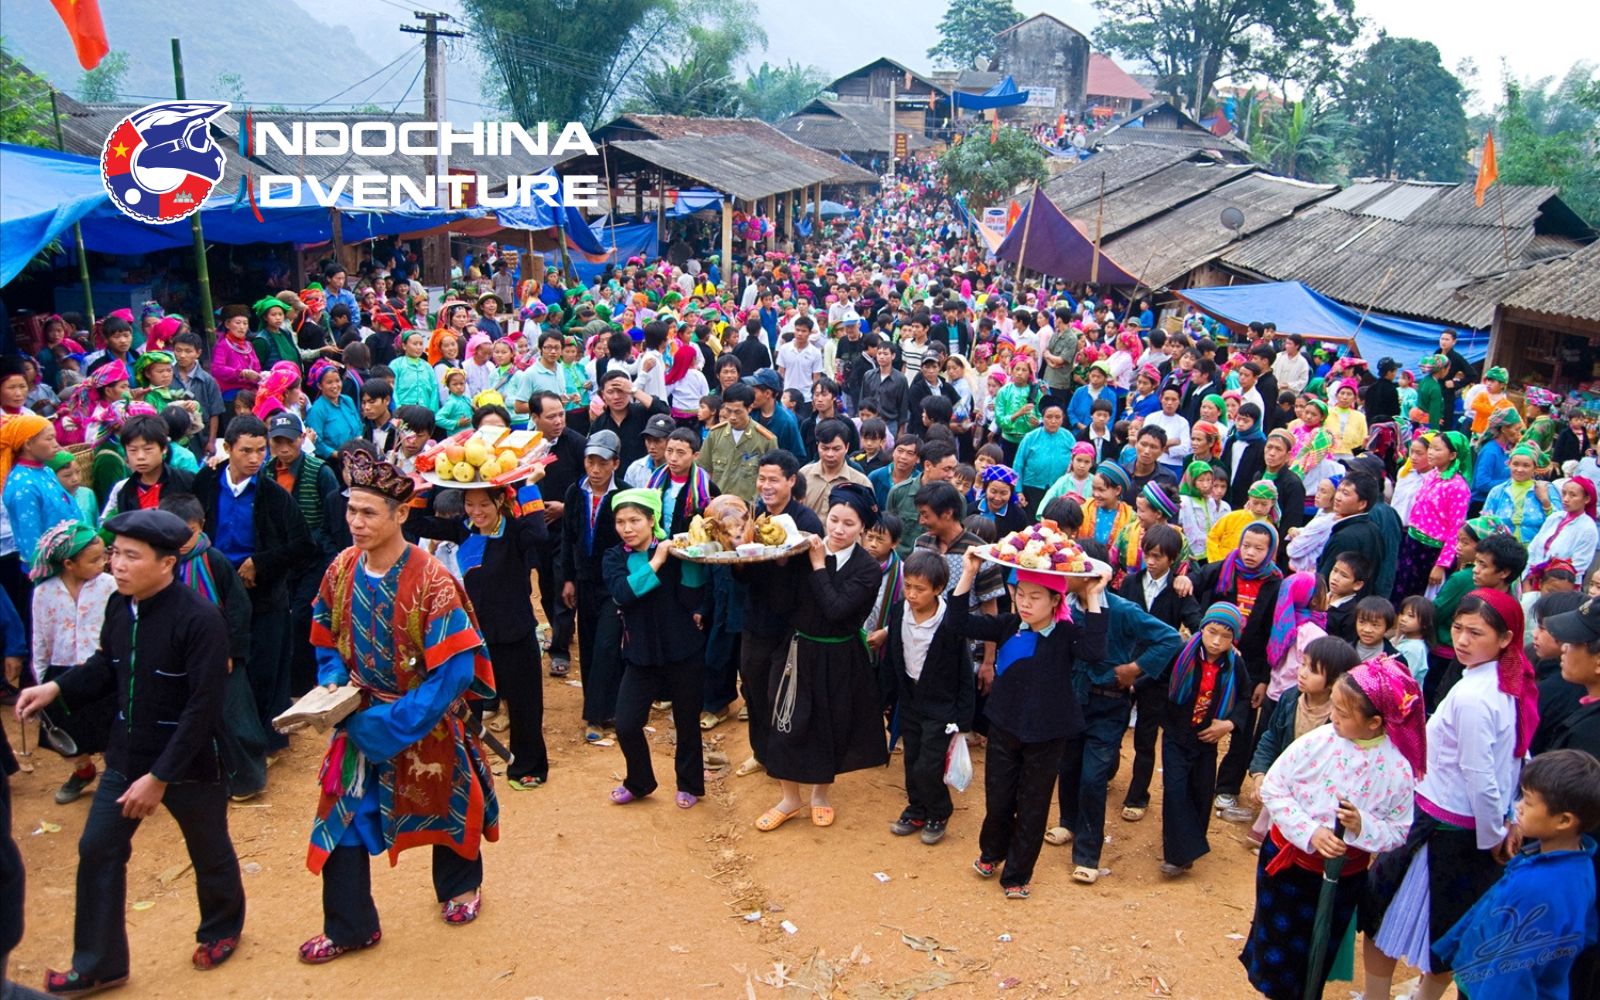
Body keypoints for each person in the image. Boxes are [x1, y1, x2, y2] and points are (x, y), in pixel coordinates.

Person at [15, 509, 244, 992]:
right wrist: (56, 691)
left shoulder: (201, 620)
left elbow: (203, 709)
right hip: (125, 757)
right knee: (97, 849)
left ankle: (221, 928)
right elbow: (106, 665)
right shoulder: (121, 607)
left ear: (166, 563)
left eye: (129, 556)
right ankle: (101, 963)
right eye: (114, 553)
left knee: (208, 850)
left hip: (189, 764)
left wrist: (160, 778)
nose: (116, 565)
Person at [298, 451, 500, 963]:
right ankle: (351, 926)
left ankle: (460, 889)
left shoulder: (433, 580)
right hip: (358, 716)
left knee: (447, 800)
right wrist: (333, 686)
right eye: (351, 511)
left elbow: (454, 670)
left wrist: (394, 722)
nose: (356, 523)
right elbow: (325, 634)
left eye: (369, 513)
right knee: (338, 815)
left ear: (401, 514)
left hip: (423, 718)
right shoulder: (342, 567)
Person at [1360, 589, 1539, 1000]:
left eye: (1476, 632)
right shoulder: (1505, 683)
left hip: (1442, 826)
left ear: (1506, 638)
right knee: (1450, 926)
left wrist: (1496, 831)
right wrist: (1507, 819)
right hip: (1471, 825)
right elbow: (1515, 760)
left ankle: (1376, 996)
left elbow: (1482, 773)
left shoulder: (1476, 696)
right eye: (1458, 628)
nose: (1462, 640)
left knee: (1382, 912)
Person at [1241, 655, 1422, 1000]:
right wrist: (1311, 832)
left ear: (1374, 723)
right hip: (1287, 869)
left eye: (1343, 712)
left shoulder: (1397, 769)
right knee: (1278, 955)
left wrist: (1361, 826)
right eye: (1334, 707)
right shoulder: (1318, 742)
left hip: (1342, 879)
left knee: (1315, 955)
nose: (1333, 716)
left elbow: (1400, 829)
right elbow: (1274, 787)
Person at [955, 544, 1109, 898]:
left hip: (1048, 732)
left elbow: (1096, 653)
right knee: (998, 798)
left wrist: (1092, 596)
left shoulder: (1067, 635)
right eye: (1021, 594)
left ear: (1056, 601)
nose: (1025, 603)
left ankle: (1017, 875)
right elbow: (958, 623)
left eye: (1036, 597)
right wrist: (968, 573)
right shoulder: (1009, 625)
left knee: (1034, 804)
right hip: (1004, 726)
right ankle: (992, 852)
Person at [754, 484, 890, 831]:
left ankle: (819, 795)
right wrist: (784, 562)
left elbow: (836, 609)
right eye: (833, 520)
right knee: (784, 718)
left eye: (848, 523)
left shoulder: (867, 569)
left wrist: (817, 566)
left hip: (840, 655)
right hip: (797, 650)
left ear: (863, 528)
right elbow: (781, 603)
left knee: (829, 723)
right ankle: (789, 798)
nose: (838, 529)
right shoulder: (803, 549)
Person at [191, 416, 311, 763]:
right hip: (213, 591)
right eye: (246, 450)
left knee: (264, 668)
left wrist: (261, 562)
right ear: (227, 449)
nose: (256, 458)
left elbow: (303, 544)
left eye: (262, 450)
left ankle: (264, 742)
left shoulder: (273, 494)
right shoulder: (206, 483)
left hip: (263, 594)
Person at [414, 481, 549, 791]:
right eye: (470, 504)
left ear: (500, 501)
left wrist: (528, 486)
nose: (476, 512)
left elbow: (540, 534)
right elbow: (414, 522)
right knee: (468, 706)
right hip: (473, 637)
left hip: (516, 632)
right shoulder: (462, 529)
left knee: (525, 704)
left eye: (484, 505)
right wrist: (422, 487)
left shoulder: (515, 531)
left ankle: (528, 767)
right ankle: (467, 769)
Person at [1435, 749, 1598, 1000]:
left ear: (1564, 820)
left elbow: (1510, 977)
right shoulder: (1579, 864)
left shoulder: (1538, 888)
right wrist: (1454, 942)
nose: (1519, 807)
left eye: (1529, 802)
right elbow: (1585, 933)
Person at [1051, 578, 1183, 884]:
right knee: (1068, 765)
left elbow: (1169, 638)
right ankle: (1067, 822)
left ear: (1091, 577)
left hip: (1109, 705)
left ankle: (1087, 855)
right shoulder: (1065, 607)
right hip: (1072, 701)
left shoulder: (1124, 610)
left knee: (1094, 776)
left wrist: (1136, 668)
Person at [603, 489, 706, 808]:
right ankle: (640, 781)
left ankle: (689, 784)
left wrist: (690, 560)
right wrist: (658, 560)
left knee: (687, 721)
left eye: (635, 520)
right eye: (620, 521)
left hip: (683, 650)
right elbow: (623, 593)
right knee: (626, 723)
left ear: (652, 520)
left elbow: (691, 597)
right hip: (640, 654)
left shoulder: (676, 551)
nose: (627, 528)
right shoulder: (615, 557)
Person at [160, 492, 262, 802]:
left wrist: (229, 650)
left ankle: (246, 779)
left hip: (220, 654)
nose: (180, 540)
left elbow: (237, 607)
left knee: (232, 716)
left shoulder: (213, 560)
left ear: (201, 525)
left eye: (187, 532)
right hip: (179, 655)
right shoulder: (162, 563)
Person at [1159, 603, 1252, 877]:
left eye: (1225, 636)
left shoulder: (1235, 665)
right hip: (1177, 735)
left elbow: (1245, 697)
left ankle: (1189, 847)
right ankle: (1177, 856)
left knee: (1200, 792)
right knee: (1175, 791)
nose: (1216, 641)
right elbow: (1159, 683)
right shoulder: (1181, 654)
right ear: (1202, 629)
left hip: (1206, 739)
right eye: (1212, 632)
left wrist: (1228, 724)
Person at [27, 522, 116, 806]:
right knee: (66, 730)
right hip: (62, 671)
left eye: (104, 556)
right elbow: (40, 638)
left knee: (112, 727)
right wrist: (41, 677)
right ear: (68, 563)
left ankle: (117, 777)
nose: (104, 563)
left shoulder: (111, 586)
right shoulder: (44, 593)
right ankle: (83, 770)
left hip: (103, 669)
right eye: (94, 560)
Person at [884, 550, 968, 845]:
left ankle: (939, 811)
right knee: (912, 757)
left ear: (938, 589)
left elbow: (963, 671)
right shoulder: (898, 612)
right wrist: (887, 695)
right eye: (908, 586)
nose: (911, 594)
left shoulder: (950, 623)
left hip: (941, 705)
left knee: (929, 764)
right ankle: (916, 809)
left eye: (920, 589)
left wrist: (964, 717)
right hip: (910, 698)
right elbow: (893, 656)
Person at [560, 429, 626, 740]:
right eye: (590, 462)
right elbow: (567, 538)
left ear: (616, 463)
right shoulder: (576, 492)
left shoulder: (623, 496)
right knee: (588, 644)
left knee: (607, 645)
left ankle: (597, 716)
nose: (596, 470)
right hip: (584, 580)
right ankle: (598, 704)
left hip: (613, 583)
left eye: (602, 463)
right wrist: (568, 578)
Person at [1392, 431, 1472, 600]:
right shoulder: (1432, 476)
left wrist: (1441, 565)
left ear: (1452, 455)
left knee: (1419, 601)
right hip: (1412, 543)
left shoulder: (1458, 487)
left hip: (1431, 552)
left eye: (1437, 449)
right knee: (1401, 592)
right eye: (1431, 448)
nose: (1431, 453)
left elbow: (1455, 530)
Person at [2, 413, 80, 578]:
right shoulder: (23, 486)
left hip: (70, 562)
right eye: (50, 439)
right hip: (52, 571)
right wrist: (46, 575)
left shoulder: (46, 470)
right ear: (28, 444)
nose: (56, 445)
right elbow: (32, 542)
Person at [697, 383, 776, 504]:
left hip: (749, 511)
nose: (732, 417)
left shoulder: (766, 440)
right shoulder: (714, 434)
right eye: (728, 411)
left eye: (738, 412)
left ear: (750, 408)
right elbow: (704, 471)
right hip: (717, 508)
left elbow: (772, 479)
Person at [1526, 476, 1600, 581]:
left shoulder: (1588, 528)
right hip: (1533, 578)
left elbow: (1579, 565)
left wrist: (1547, 575)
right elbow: (1534, 546)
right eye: (1564, 493)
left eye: (1573, 495)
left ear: (1587, 499)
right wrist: (1531, 571)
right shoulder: (1555, 517)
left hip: (1561, 584)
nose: (1565, 499)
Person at [1482, 443, 1555, 544]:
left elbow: (1558, 524)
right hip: (1502, 552)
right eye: (1515, 464)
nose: (1520, 470)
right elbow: (1485, 523)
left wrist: (1545, 501)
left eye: (1526, 465)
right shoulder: (1497, 492)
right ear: (1509, 464)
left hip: (1536, 552)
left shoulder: (1547, 489)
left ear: (1535, 467)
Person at [799, 420, 871, 518]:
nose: (830, 454)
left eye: (836, 449)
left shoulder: (860, 482)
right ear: (817, 445)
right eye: (825, 448)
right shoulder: (803, 476)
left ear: (847, 447)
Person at [1012, 401, 1074, 512]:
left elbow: (1075, 461)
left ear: (1062, 418)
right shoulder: (1030, 437)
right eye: (1049, 417)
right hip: (1031, 488)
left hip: (1059, 489)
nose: (1053, 421)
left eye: (1057, 417)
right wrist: (1018, 491)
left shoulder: (1068, 437)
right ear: (1042, 418)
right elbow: (1018, 464)